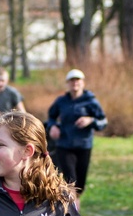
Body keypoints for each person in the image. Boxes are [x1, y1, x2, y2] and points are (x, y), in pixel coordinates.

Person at [46, 69, 107, 201]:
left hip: (84, 145)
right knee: (70, 179)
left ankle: (74, 204)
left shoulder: (91, 101)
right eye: (72, 80)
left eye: (77, 80)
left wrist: (90, 120)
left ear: (83, 83)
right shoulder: (61, 101)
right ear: (67, 83)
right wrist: (53, 126)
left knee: (80, 182)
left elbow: (103, 121)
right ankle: (73, 208)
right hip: (64, 144)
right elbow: (51, 117)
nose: (75, 83)